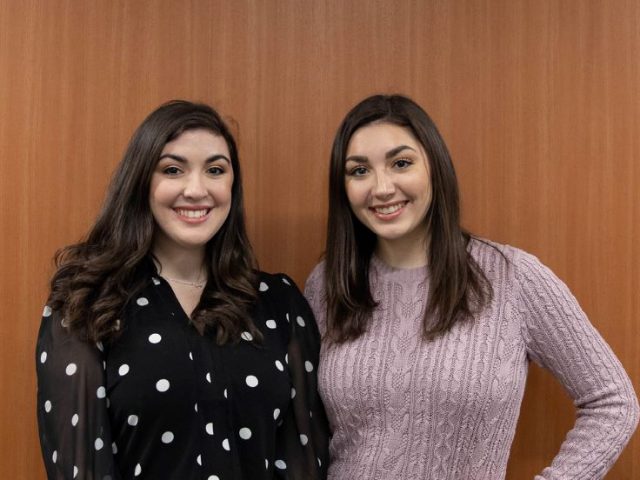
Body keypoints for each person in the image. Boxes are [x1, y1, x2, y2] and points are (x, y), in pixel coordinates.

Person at [304, 94, 639, 479]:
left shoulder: (512, 277)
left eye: (401, 163)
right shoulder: (329, 284)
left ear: (435, 167)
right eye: (359, 171)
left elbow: (613, 401)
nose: (381, 188)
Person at [36, 100, 329, 480]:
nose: (196, 189)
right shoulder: (87, 302)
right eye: (173, 169)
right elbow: (82, 468)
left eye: (215, 170)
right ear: (141, 181)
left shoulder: (280, 303)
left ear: (232, 185)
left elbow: (304, 459)